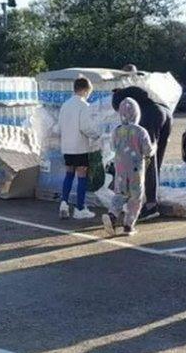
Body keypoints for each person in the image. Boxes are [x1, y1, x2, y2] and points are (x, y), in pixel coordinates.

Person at [111, 84, 172, 221]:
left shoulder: (121, 98)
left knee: (148, 159)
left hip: (153, 114)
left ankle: (151, 205)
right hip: (166, 112)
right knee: (157, 159)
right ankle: (153, 197)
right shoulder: (135, 91)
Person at [102, 98, 156, 237]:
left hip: (120, 168)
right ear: (137, 113)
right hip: (136, 169)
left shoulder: (117, 131)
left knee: (120, 193)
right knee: (135, 196)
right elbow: (147, 151)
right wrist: (154, 147)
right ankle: (128, 225)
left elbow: (113, 147)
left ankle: (112, 215)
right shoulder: (141, 131)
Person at [58, 76, 100, 220]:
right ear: (85, 90)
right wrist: (97, 135)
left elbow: (60, 127)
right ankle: (80, 208)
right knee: (82, 176)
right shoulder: (84, 105)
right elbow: (86, 127)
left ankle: (64, 203)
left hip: (67, 146)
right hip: (80, 147)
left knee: (69, 174)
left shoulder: (65, 105)